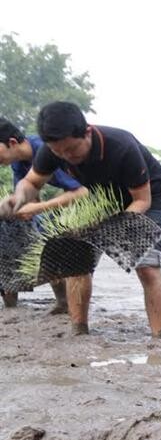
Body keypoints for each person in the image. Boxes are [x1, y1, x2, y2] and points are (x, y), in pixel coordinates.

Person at [6, 102, 161, 337]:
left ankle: (158, 339)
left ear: (88, 133)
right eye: (59, 152)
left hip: (147, 199)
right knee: (75, 259)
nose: (66, 157)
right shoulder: (52, 151)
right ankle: (79, 330)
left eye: (72, 149)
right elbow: (32, 182)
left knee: (147, 267)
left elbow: (141, 200)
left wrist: (110, 231)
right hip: (101, 198)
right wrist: (17, 199)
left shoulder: (121, 146)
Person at [0, 117, 89, 312]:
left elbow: (82, 192)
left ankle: (67, 302)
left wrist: (37, 209)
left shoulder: (47, 151)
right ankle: (11, 299)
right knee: (13, 228)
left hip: (92, 200)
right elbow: (26, 199)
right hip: (64, 204)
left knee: (48, 233)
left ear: (12, 143)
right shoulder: (19, 163)